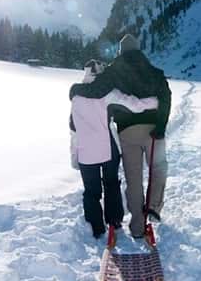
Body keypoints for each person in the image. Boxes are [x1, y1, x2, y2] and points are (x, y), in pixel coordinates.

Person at [69, 34, 171, 238]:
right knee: (158, 167)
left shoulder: (114, 70)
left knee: (133, 179)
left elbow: (96, 91)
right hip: (154, 130)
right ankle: (153, 206)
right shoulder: (155, 71)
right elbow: (165, 97)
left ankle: (136, 226)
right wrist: (160, 124)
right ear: (138, 49)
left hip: (126, 132)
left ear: (120, 51)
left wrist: (76, 89)